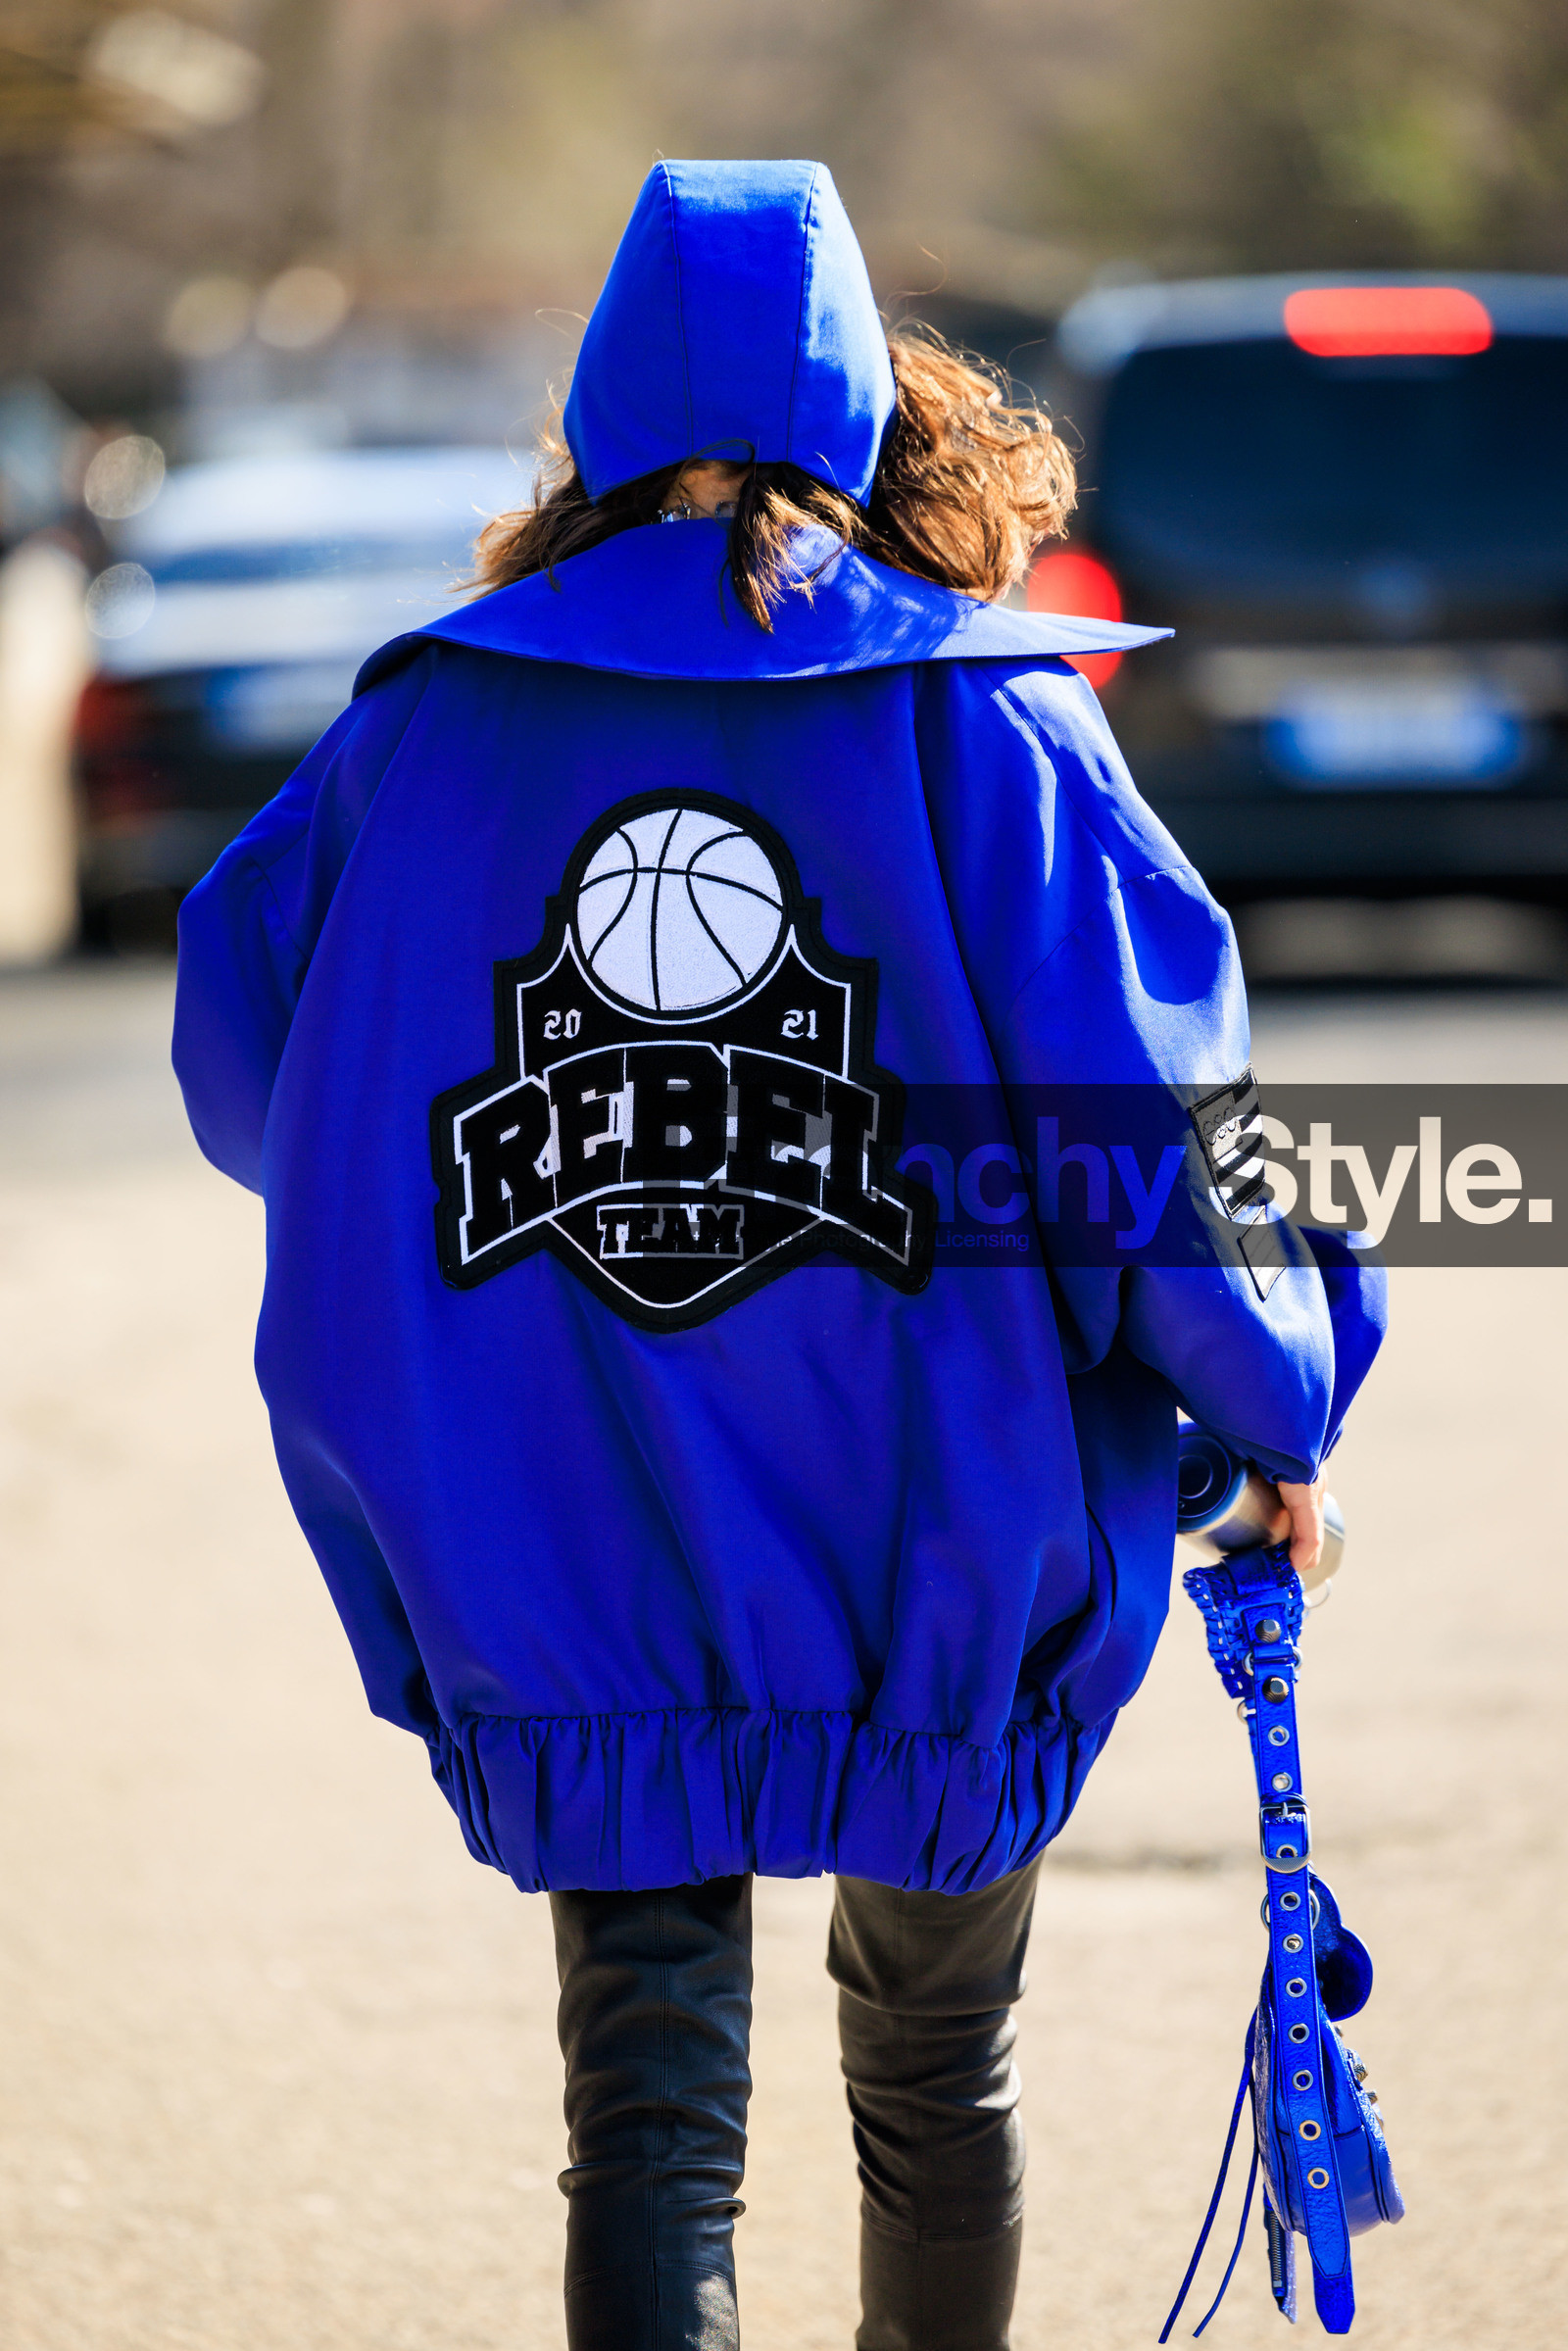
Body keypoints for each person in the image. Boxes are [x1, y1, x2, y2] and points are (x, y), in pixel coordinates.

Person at [172, 161, 1384, 2351]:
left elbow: (256, 1069)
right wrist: (1267, 1401)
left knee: (643, 2111)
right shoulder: (986, 714)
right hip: (946, 1521)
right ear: (859, 406)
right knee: (937, 2071)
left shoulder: (426, 717)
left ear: (602, 407)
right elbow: (1147, 1134)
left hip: (574, 1519)